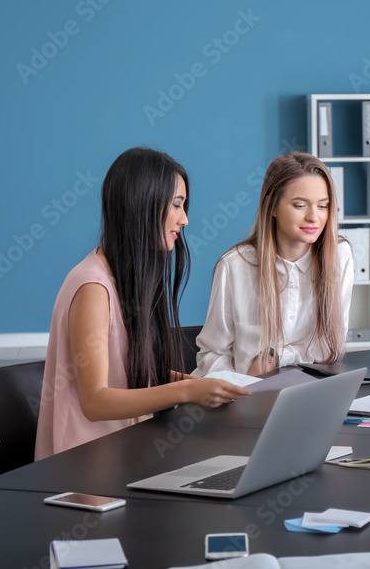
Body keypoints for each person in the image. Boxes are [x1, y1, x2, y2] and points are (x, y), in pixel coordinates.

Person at [35, 148, 250, 460]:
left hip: (124, 452)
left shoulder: (129, 277)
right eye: (177, 204)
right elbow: (95, 402)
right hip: (80, 465)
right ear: (142, 204)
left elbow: (128, 371)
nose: (185, 219)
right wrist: (189, 391)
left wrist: (203, 384)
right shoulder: (92, 287)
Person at [193, 152, 353, 376]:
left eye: (322, 206)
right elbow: (212, 354)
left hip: (306, 390)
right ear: (273, 206)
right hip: (242, 395)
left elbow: (330, 347)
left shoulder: (339, 255)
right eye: (300, 205)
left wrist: (277, 358)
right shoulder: (235, 265)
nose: (313, 217)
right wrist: (241, 387)